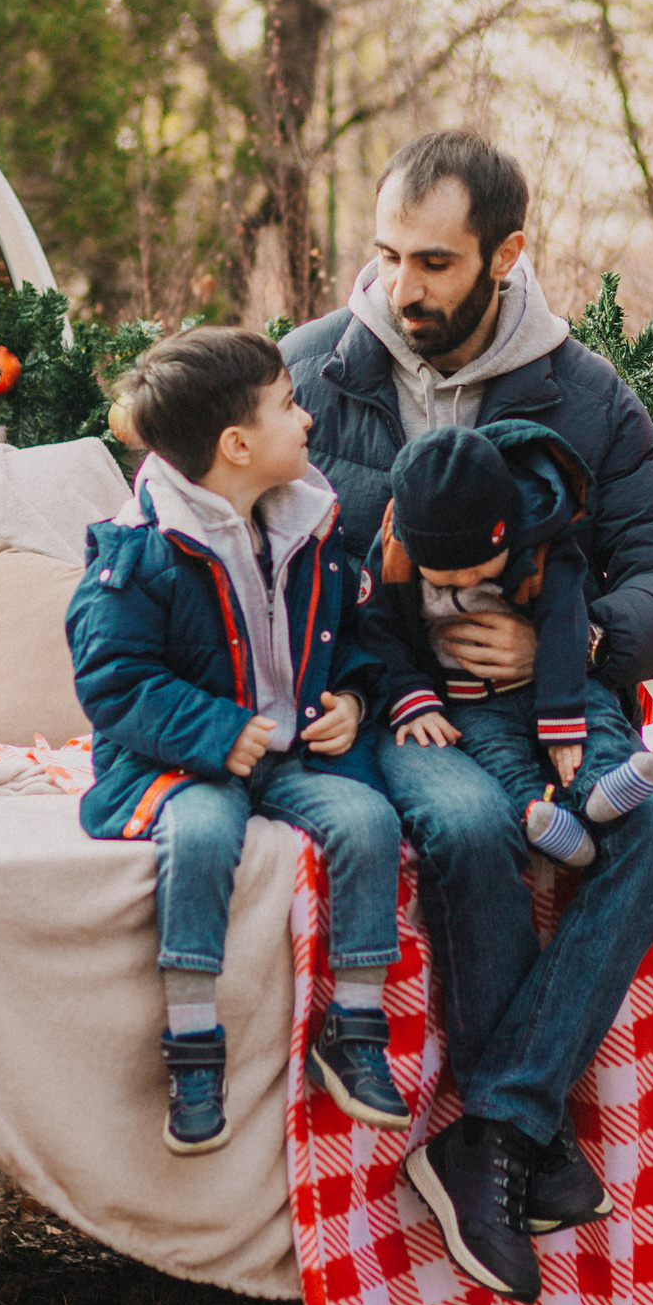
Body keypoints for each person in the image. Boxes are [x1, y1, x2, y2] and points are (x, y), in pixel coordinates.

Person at [281, 129, 653, 1302]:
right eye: (385, 258)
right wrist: (305, 670)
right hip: (382, 705)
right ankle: (525, 1136)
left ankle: (495, 1132)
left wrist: (574, 639)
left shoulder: (580, 395)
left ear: (506, 255)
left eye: (433, 264)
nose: (399, 290)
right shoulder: (312, 371)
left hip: (543, 702)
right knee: (471, 824)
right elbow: (206, 533)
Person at [68, 326, 413, 1156]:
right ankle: (192, 1044)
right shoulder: (141, 549)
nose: (307, 421)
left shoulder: (307, 524)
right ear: (237, 443)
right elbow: (113, 679)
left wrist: (353, 701)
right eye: (290, 405)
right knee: (205, 830)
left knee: (368, 820)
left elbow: (349, 630)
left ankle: (356, 1029)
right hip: (174, 758)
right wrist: (219, 734)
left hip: (289, 749)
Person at [361, 422, 653, 869]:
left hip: (558, 678)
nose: (467, 582)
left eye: (480, 569)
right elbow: (377, 626)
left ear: (506, 533)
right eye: (445, 578)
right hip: (470, 701)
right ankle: (539, 815)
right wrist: (413, 696)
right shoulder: (396, 550)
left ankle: (604, 785)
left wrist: (561, 717)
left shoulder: (546, 547)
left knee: (595, 722)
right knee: (495, 754)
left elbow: (567, 624)